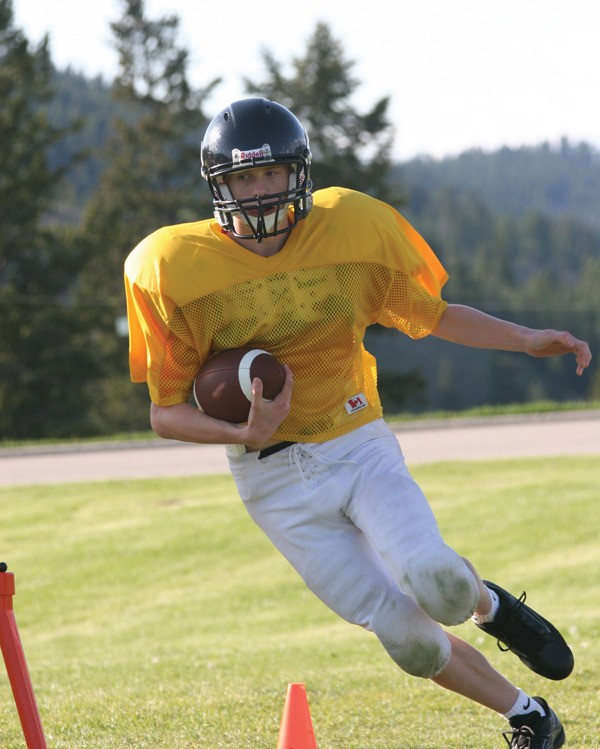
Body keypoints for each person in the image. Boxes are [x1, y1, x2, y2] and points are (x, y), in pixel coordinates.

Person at [124, 97, 592, 748]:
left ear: (299, 173)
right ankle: (529, 714)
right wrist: (242, 432)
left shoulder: (352, 228)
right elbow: (164, 411)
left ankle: (492, 605)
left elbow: (433, 313)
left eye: (269, 175)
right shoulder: (169, 267)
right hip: (273, 480)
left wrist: (527, 337)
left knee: (440, 583)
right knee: (407, 639)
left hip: (355, 439)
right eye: (243, 179)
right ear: (218, 187)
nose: (258, 192)